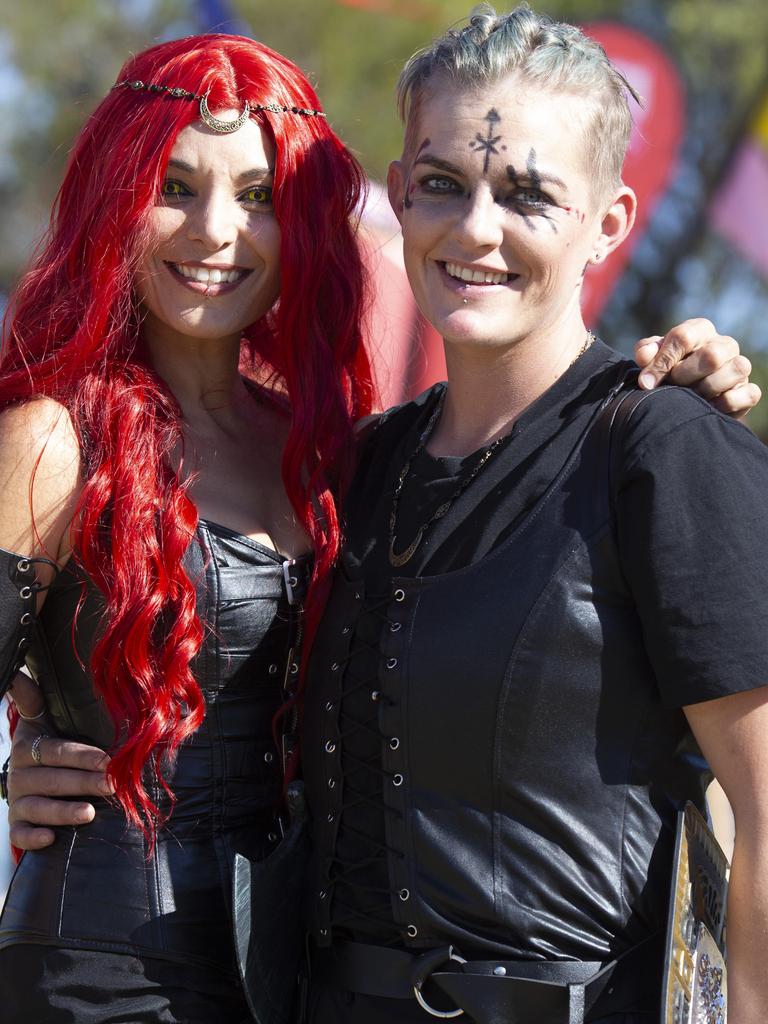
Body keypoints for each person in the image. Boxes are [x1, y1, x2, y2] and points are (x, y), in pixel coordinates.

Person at [3, 9, 764, 1024]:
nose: (476, 227)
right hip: (165, 987)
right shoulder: (311, 466)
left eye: (528, 192)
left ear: (610, 221)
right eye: (445, 182)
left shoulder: (635, 450)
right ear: (398, 195)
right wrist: (28, 756)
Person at [0, 34, 374, 1024]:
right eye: (176, 186)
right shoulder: (50, 437)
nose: (216, 230)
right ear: (115, 199)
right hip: (100, 972)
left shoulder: (324, 451)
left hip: (295, 970)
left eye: (257, 196)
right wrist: (14, 765)